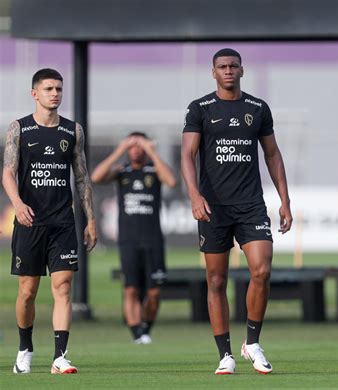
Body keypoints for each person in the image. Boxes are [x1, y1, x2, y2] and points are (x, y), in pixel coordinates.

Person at [181, 48, 292, 375]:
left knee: (262, 270)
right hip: (213, 208)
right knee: (216, 280)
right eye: (222, 67)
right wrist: (194, 194)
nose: (228, 71)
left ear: (242, 70)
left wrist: (285, 199)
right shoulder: (200, 108)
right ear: (213, 72)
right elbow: (188, 154)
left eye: (233, 66)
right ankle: (225, 354)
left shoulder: (257, 108)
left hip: (251, 205)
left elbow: (272, 155)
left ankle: (253, 343)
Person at [2, 68, 97, 374]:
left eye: (58, 88)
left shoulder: (73, 131)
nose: (55, 93)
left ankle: (59, 356)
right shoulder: (19, 129)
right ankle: (25, 348)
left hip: (63, 223)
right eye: (48, 89)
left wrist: (90, 219)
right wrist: (17, 204)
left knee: (63, 286)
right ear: (35, 94)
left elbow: (82, 178)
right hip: (30, 223)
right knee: (27, 292)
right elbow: (7, 173)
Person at [91, 132, 176, 344]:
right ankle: (137, 333)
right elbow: (96, 177)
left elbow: (172, 181)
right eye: (132, 146)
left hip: (153, 239)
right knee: (131, 289)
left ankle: (146, 328)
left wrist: (152, 151)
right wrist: (119, 150)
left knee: (154, 292)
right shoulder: (122, 172)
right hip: (128, 240)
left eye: (139, 146)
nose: (136, 150)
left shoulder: (153, 171)